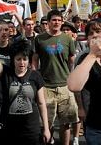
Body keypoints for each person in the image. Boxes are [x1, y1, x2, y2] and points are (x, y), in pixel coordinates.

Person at [0, 35, 51, 144]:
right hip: (9, 128)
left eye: (25, 59)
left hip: (31, 128)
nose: (22, 62)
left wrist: (46, 128)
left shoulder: (36, 76)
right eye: (18, 59)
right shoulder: (5, 72)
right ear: (13, 60)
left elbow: (41, 103)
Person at [33, 9, 79, 145]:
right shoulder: (39, 39)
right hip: (46, 86)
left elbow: (72, 60)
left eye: (59, 20)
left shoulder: (67, 39)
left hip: (65, 86)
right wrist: (35, 76)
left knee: (66, 123)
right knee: (47, 124)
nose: (56, 22)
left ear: (62, 22)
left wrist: (70, 76)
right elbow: (35, 59)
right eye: (54, 20)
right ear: (48, 22)